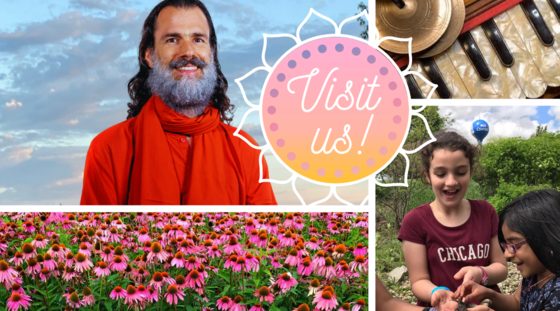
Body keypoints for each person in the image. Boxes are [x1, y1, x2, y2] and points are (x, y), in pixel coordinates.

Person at [80, 0, 277, 205]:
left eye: (198, 39)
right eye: (173, 39)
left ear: (212, 53)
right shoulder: (108, 148)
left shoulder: (246, 150)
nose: (188, 52)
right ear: (149, 56)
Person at [398, 131, 508, 308]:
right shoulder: (415, 221)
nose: (451, 182)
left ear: (470, 172)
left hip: (485, 305)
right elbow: (419, 281)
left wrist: (481, 273)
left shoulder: (486, 211)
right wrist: (436, 292)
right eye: (440, 174)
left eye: (461, 172)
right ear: (428, 176)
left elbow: (501, 267)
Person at [453, 190, 560, 311]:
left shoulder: (556, 293)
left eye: (515, 245)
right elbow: (516, 303)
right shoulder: (535, 273)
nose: (507, 254)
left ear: (548, 240)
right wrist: (487, 294)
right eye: (506, 245)